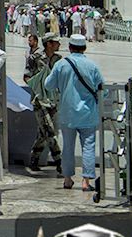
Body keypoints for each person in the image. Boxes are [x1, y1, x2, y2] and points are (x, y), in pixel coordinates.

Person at [43, 33, 104, 192]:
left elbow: (48, 85)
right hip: (88, 114)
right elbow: (102, 90)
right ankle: (86, 181)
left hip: (67, 113)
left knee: (68, 147)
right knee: (88, 146)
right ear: (84, 47)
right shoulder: (92, 66)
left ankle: (68, 179)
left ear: (69, 47)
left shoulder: (61, 65)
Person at [25, 33, 63, 175]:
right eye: (56, 42)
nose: (59, 45)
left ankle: (34, 159)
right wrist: (38, 87)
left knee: (43, 132)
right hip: (40, 101)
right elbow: (27, 77)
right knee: (49, 131)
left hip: (54, 100)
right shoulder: (35, 58)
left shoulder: (59, 60)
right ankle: (59, 162)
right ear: (49, 44)